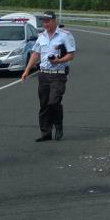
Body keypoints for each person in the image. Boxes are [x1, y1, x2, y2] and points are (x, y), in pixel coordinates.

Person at [21, 11, 76, 141]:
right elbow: (35, 54)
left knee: (54, 102)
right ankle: (45, 132)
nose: (45, 24)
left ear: (54, 20)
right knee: (44, 104)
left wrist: (59, 61)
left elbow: (71, 54)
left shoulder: (65, 35)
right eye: (44, 21)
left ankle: (58, 125)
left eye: (48, 21)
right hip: (44, 74)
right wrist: (27, 70)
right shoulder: (41, 36)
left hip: (58, 74)